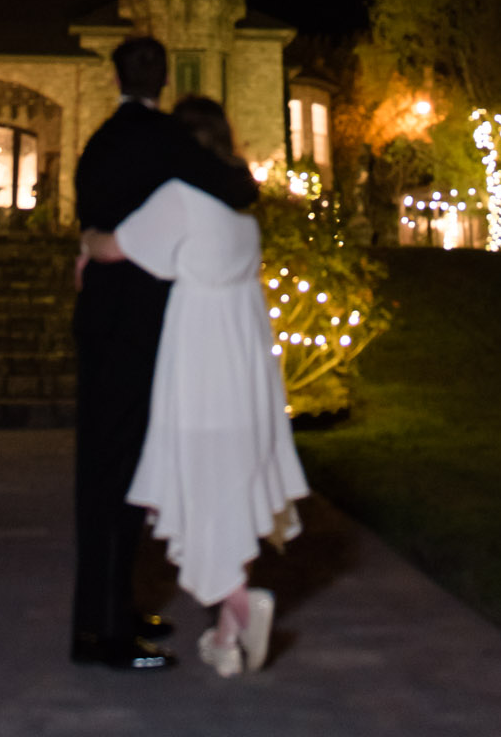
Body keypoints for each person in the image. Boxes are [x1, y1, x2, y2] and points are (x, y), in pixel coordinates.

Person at [83, 96, 308, 678]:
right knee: (228, 491)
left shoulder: (180, 200)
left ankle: (240, 604)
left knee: (202, 491)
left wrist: (85, 244)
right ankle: (227, 639)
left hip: (200, 370)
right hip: (246, 376)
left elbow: (114, 247)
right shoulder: (240, 215)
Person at [72, 37, 259, 672]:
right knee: (126, 475)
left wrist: (89, 246)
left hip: (98, 319)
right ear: (163, 77)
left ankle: (103, 613)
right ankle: (106, 634)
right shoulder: (166, 140)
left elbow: (89, 220)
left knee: (102, 471)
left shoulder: (98, 142)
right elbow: (238, 186)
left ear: (116, 75)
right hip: (145, 328)